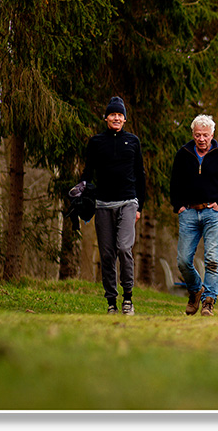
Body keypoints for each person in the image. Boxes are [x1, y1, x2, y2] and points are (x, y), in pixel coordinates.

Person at [70, 96, 146, 315]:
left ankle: (128, 299)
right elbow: (87, 172)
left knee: (124, 247)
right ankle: (111, 302)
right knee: (106, 254)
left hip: (128, 202)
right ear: (106, 118)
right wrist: (81, 192)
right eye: (113, 114)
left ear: (124, 119)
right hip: (102, 204)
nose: (116, 118)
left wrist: (140, 206)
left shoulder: (133, 141)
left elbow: (140, 175)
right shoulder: (96, 142)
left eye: (120, 115)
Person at [169, 114, 218, 316]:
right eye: (198, 135)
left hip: (214, 213)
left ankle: (208, 301)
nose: (201, 139)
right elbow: (174, 183)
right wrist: (179, 206)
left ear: (212, 135)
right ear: (193, 134)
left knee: (212, 259)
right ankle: (195, 290)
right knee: (183, 261)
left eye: (205, 135)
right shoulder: (183, 154)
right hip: (189, 212)